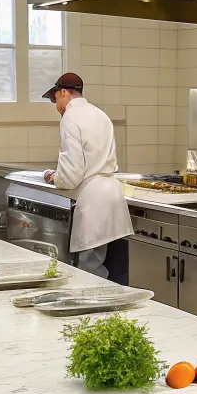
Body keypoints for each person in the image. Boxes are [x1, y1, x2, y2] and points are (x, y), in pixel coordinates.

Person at [42, 73, 132, 283]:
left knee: (91, 273)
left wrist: (54, 177)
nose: (57, 107)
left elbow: (71, 174)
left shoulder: (70, 119)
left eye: (56, 100)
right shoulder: (100, 115)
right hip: (114, 197)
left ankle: (96, 314)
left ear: (64, 92)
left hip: (94, 202)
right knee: (116, 270)